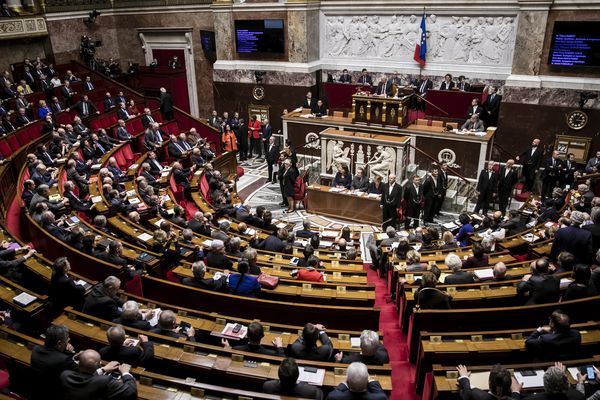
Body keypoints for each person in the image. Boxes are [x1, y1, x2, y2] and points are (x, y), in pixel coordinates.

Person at [60, 349, 137, 399]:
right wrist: (125, 373)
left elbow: (86, 380)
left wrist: (103, 369)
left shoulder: (65, 375)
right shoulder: (104, 381)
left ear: (78, 363)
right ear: (98, 365)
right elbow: (131, 392)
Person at [30, 324, 78, 400]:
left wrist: (64, 349)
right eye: (67, 339)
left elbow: (54, 355)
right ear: (59, 343)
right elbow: (80, 372)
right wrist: (71, 353)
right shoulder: (63, 360)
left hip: (35, 393)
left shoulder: (36, 349)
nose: (68, 340)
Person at [456, 363, 521, 400]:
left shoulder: (479, 396)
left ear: (489, 383)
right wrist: (516, 391)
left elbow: (467, 393)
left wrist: (464, 377)